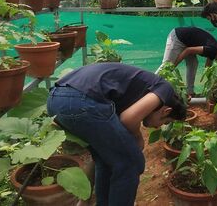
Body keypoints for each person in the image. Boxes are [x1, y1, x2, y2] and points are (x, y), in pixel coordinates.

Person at [47, 63, 186, 206]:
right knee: (131, 162)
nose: (158, 126)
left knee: (106, 160)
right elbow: (128, 119)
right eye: (164, 122)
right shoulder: (165, 89)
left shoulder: (139, 91)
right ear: (166, 111)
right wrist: (138, 137)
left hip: (56, 100)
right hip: (79, 101)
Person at [156, 26, 217, 98]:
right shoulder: (213, 50)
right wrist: (174, 65)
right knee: (167, 65)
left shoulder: (215, 51)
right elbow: (188, 50)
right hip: (178, 37)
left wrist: (213, 83)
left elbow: (207, 69)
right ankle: (150, 85)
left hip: (187, 42)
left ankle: (190, 92)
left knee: (193, 64)